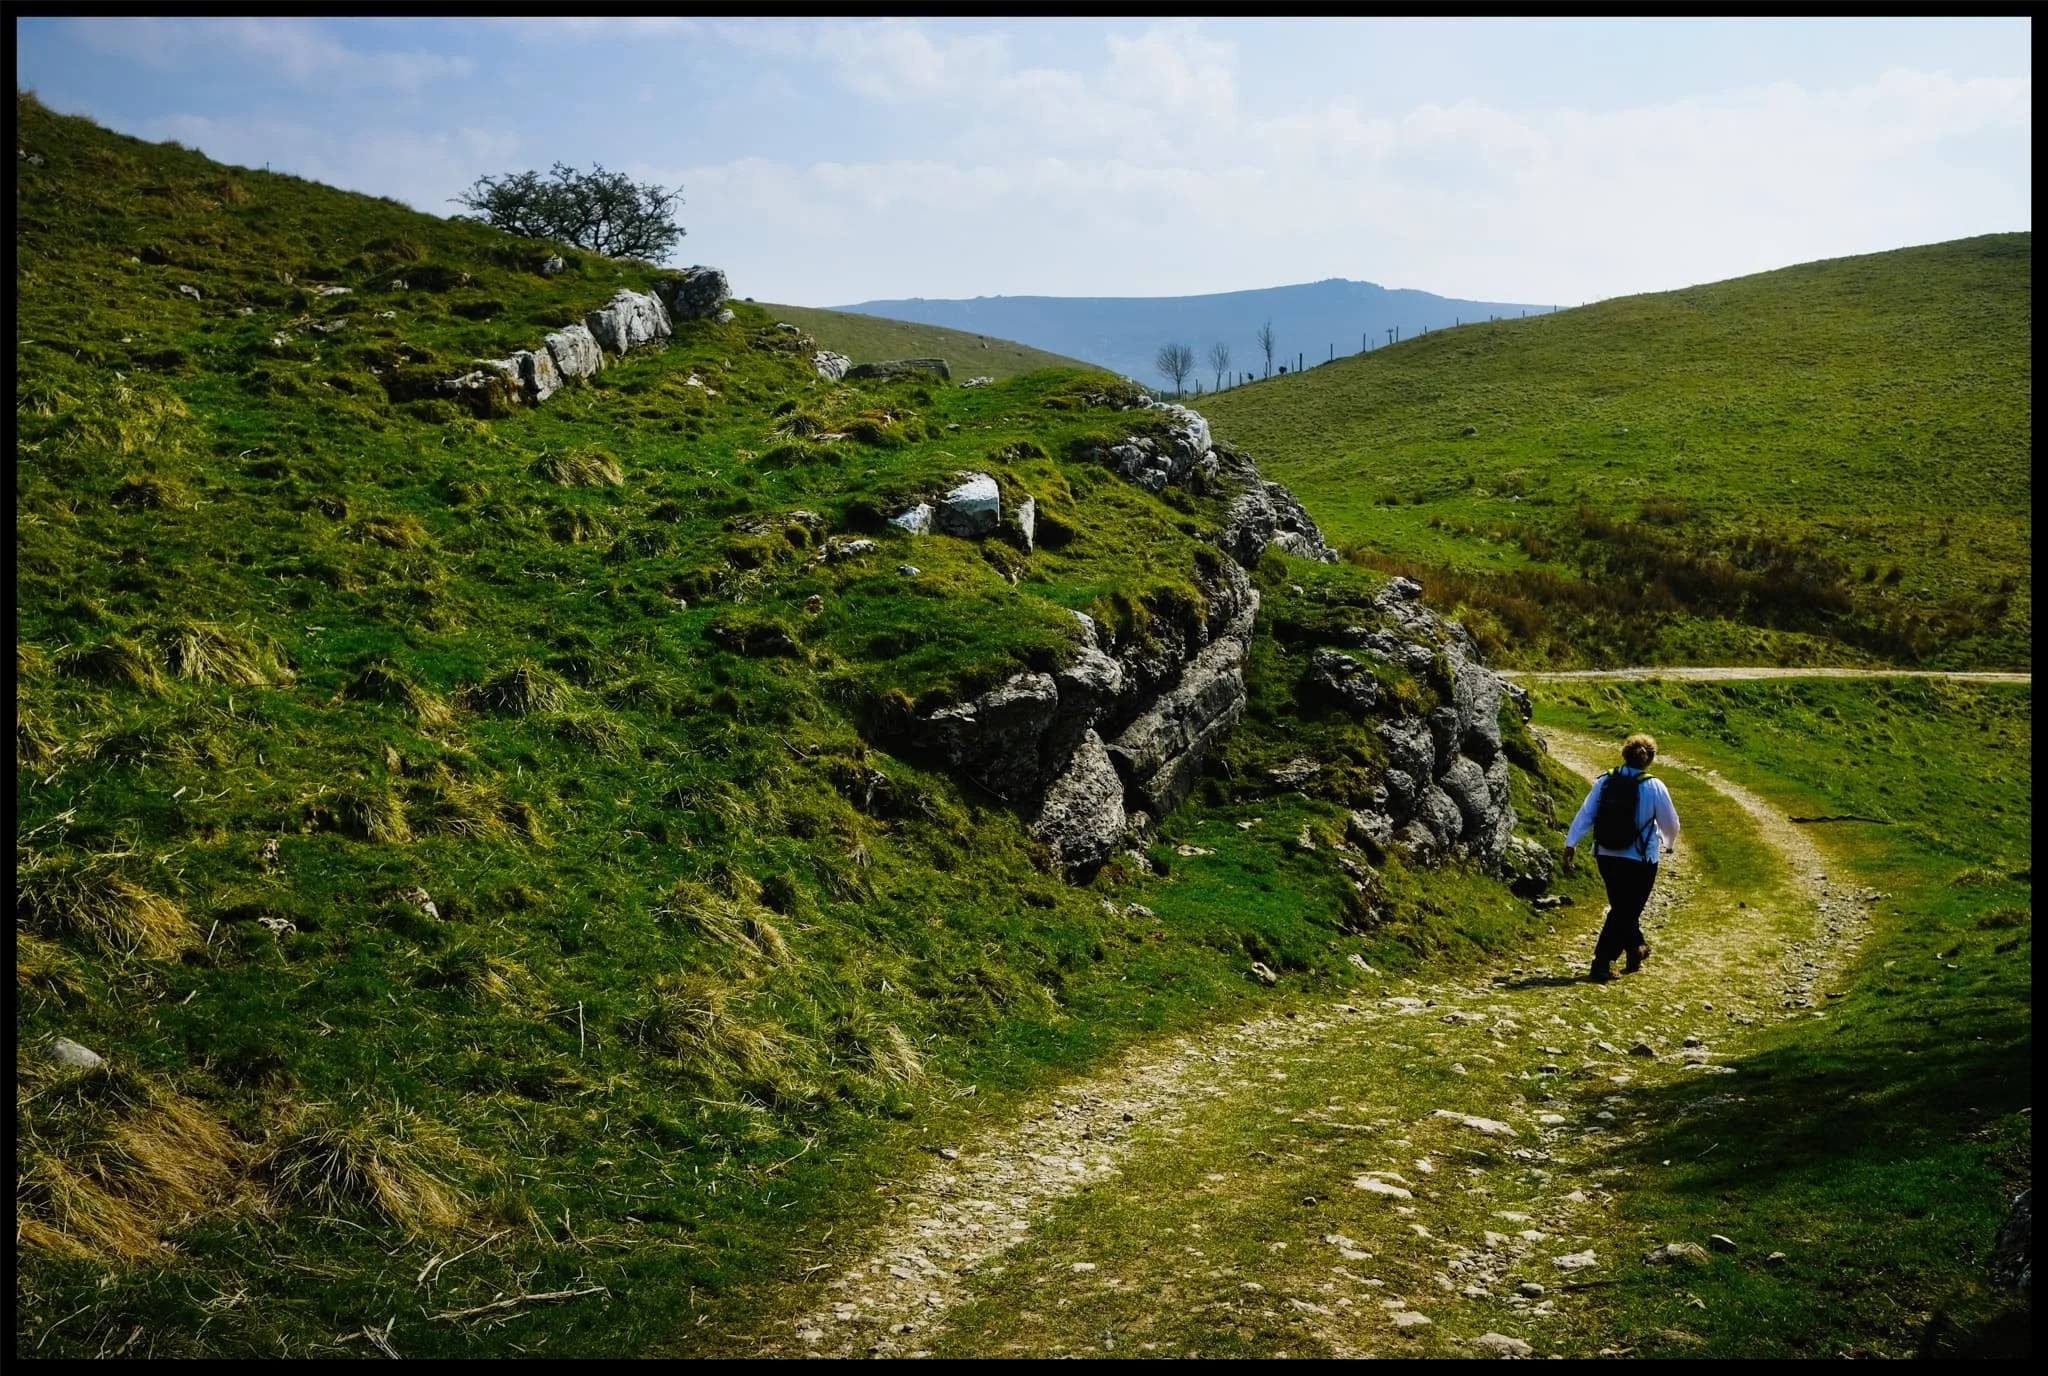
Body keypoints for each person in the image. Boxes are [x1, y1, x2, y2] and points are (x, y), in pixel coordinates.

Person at [1562, 733, 1680, 982]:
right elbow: (1670, 823)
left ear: (1624, 755)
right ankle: (1601, 962)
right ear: (1650, 759)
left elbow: (1587, 813)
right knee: (1626, 910)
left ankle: (1636, 948)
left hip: (1606, 854)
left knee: (1622, 908)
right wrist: (1668, 843)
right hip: (1640, 858)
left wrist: (1571, 842)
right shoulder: (1654, 786)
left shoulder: (1605, 780)